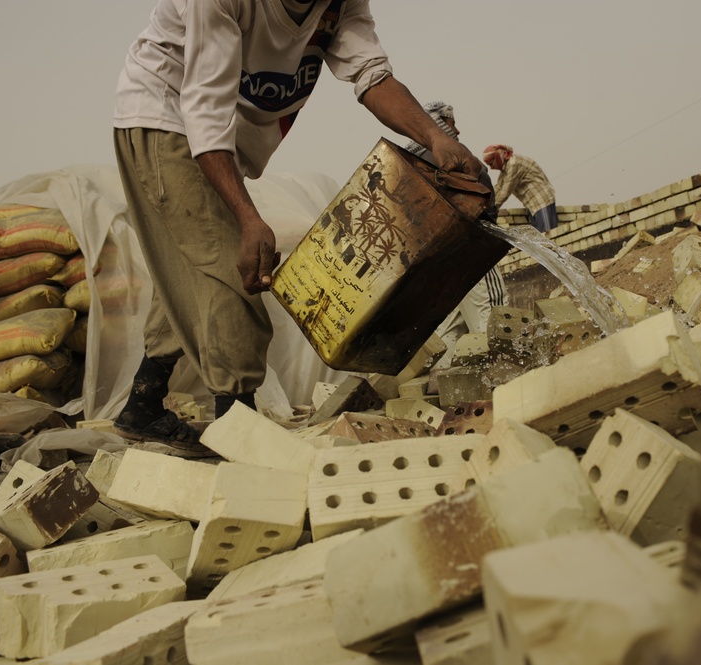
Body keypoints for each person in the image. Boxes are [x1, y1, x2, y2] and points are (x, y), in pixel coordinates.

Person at [111, 0, 484, 454]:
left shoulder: (341, 2)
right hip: (166, 118)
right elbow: (204, 114)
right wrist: (249, 218)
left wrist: (436, 137)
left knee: (192, 272)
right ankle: (240, 443)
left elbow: (372, 75)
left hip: (221, 138)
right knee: (232, 272)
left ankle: (142, 406)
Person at [405, 101, 508, 363]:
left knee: (451, 328)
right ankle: (504, 376)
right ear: (438, 123)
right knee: (492, 315)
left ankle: (443, 384)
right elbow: (482, 199)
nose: (457, 130)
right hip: (470, 251)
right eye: (451, 123)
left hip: (435, 265)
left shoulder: (408, 166)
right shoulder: (452, 159)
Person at [483, 145, 558, 233]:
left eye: (491, 163)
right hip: (533, 207)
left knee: (548, 235)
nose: (491, 168)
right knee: (540, 238)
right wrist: (485, 203)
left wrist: (491, 210)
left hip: (542, 202)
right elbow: (498, 188)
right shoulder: (506, 168)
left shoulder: (514, 164)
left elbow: (505, 192)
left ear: (497, 157)